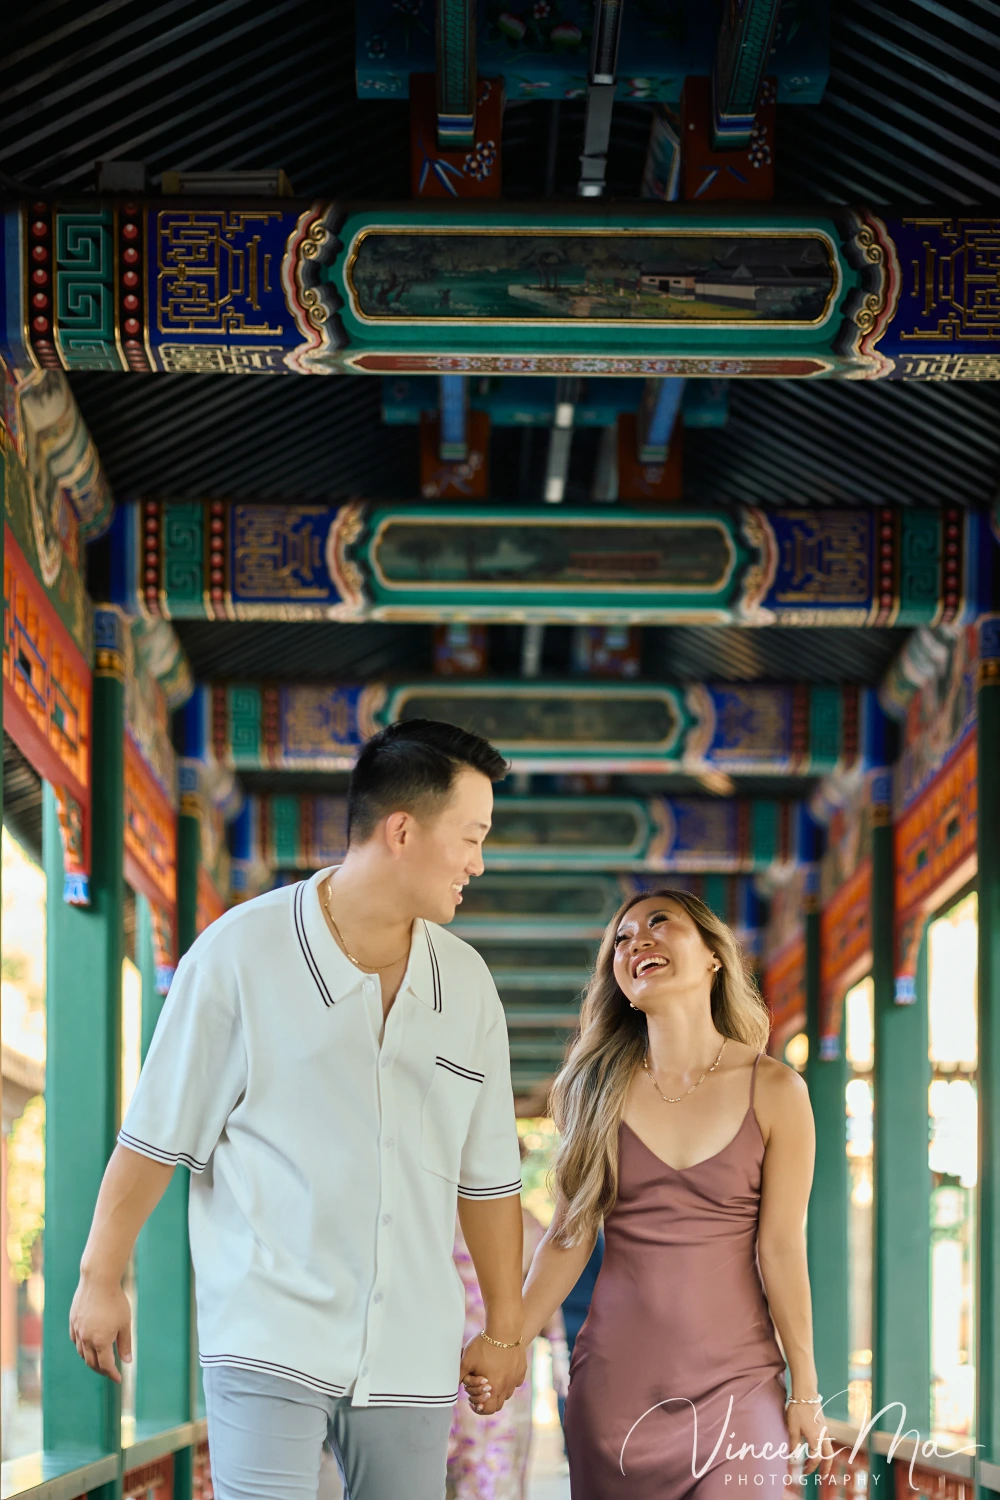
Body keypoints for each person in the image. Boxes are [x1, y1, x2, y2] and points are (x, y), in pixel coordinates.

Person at [69, 718, 528, 1500]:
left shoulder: (469, 986)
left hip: (412, 1351)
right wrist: (99, 1275)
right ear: (403, 830)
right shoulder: (239, 952)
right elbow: (156, 1133)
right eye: (472, 837)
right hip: (266, 1334)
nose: (479, 864)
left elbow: (488, 1182)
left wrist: (505, 1331)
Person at [465, 889, 836, 1498]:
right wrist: (508, 1341)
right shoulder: (597, 1091)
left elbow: (782, 1250)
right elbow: (568, 1236)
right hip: (615, 1395)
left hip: (739, 1389)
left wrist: (805, 1388)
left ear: (715, 956)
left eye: (659, 923)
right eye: (621, 938)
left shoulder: (775, 1090)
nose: (636, 941)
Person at [447, 1178, 567, 1498]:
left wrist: (558, 1350)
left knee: (494, 1455)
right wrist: (557, 1349)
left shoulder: (526, 1225)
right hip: (458, 1352)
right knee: (463, 1457)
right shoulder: (522, 1224)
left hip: (499, 1350)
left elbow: (542, 1292)